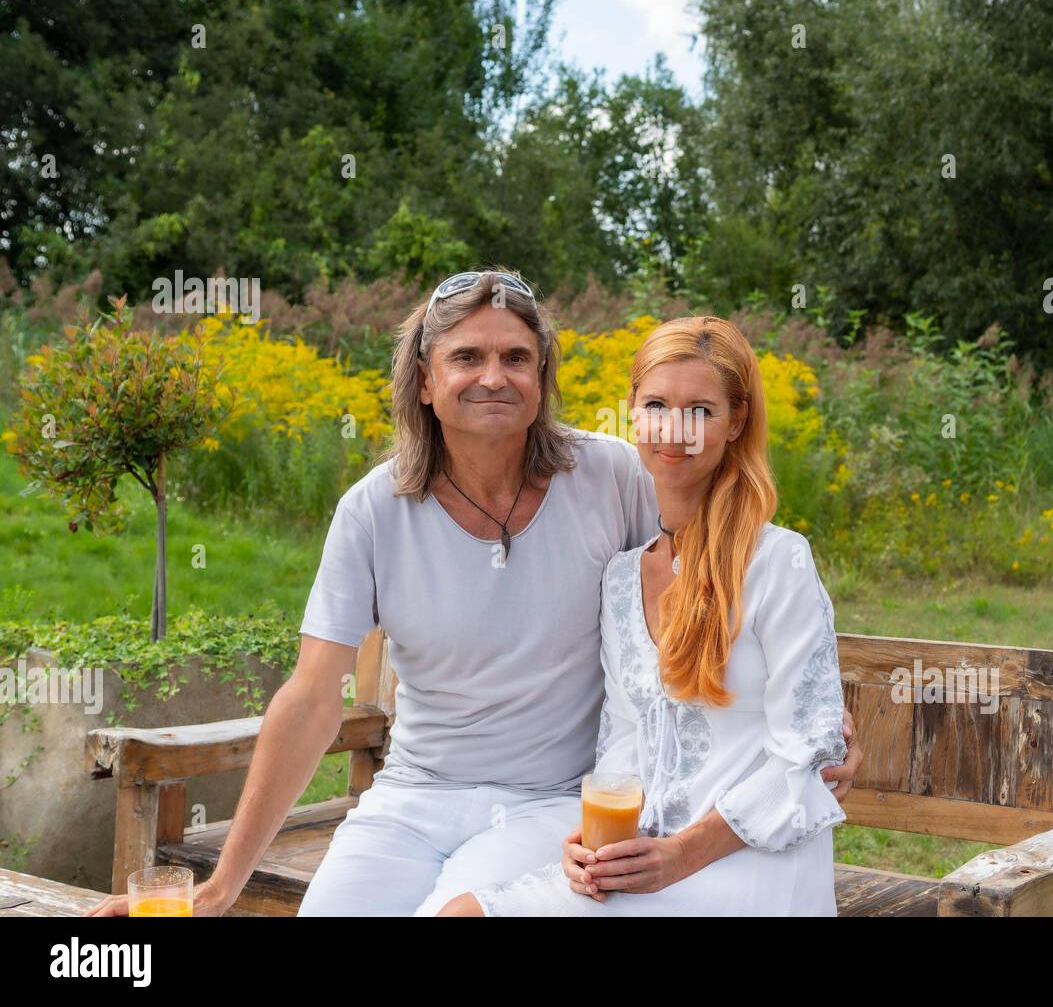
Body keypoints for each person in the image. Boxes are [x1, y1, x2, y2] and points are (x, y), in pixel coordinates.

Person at [85, 269, 863, 917]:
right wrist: (222, 887)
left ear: (542, 378)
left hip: (550, 803)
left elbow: (725, 568)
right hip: (412, 795)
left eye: (517, 357)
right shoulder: (373, 511)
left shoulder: (613, 476)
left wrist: (815, 731)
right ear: (425, 379)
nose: (494, 375)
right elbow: (313, 696)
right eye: (467, 356)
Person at [436, 315, 848, 916]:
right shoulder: (624, 577)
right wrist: (592, 842)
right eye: (657, 404)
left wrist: (679, 854)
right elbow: (624, 741)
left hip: (752, 866)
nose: (674, 430)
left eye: (701, 411)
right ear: (633, 411)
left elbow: (809, 752)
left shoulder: (777, 561)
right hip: (645, 855)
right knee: (456, 906)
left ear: (736, 421)